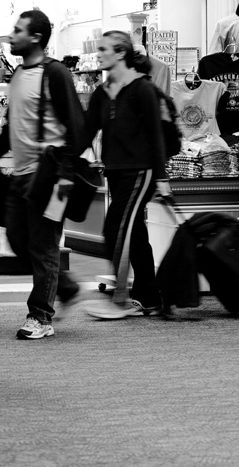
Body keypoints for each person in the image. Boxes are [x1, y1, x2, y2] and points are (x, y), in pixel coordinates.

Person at [0, 10, 84, 340]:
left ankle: (40, 316)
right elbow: (12, 122)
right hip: (22, 174)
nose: (11, 36)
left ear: (36, 38)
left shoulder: (55, 74)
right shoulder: (17, 76)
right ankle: (65, 286)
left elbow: (76, 127)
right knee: (16, 239)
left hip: (52, 174)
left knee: (43, 246)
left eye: (17, 31)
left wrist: (67, 176)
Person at [80, 31, 170, 319]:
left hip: (140, 171)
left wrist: (162, 177)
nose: (98, 54)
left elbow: (156, 136)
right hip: (115, 172)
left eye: (103, 49)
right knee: (135, 234)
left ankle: (120, 299)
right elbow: (86, 132)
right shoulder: (103, 93)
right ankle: (150, 298)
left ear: (120, 53)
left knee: (115, 229)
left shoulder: (142, 88)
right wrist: (63, 157)